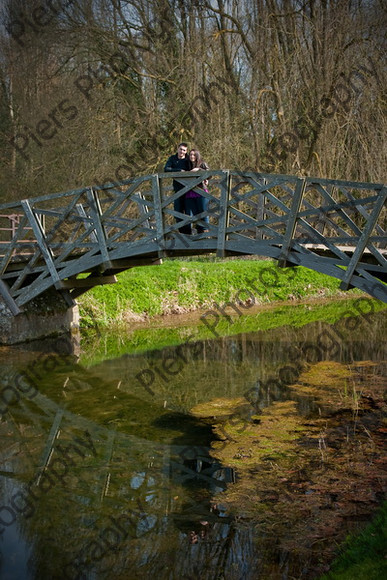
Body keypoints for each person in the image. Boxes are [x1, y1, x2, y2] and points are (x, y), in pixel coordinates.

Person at [164, 142, 191, 234]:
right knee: (177, 213)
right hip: (177, 190)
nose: (182, 152)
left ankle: (188, 235)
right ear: (177, 149)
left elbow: (197, 166)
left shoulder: (188, 160)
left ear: (186, 151)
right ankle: (183, 233)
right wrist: (179, 171)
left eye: (184, 150)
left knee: (188, 213)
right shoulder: (173, 158)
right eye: (181, 149)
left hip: (189, 190)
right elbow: (166, 169)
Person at [185, 148, 210, 234]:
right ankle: (200, 231)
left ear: (197, 155)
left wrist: (198, 170)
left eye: (194, 154)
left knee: (203, 211)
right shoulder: (187, 164)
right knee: (195, 213)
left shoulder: (202, 163)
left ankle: (206, 232)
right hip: (190, 191)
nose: (192, 156)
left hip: (201, 190)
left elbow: (209, 174)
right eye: (191, 154)